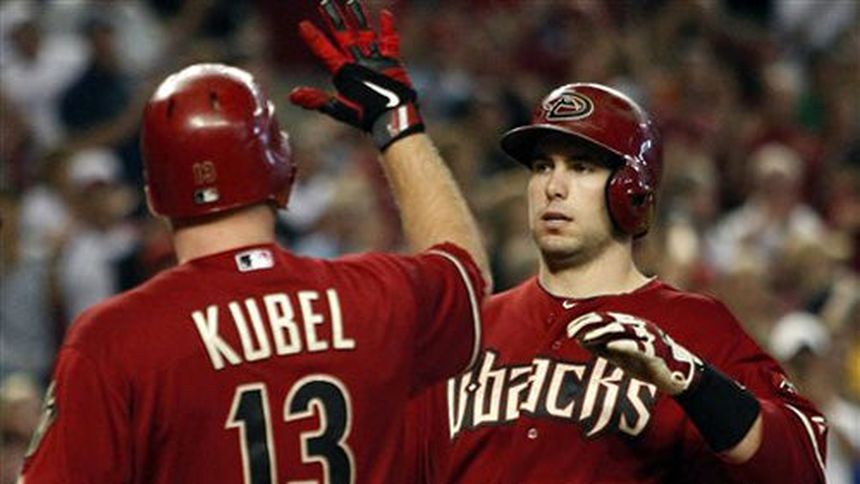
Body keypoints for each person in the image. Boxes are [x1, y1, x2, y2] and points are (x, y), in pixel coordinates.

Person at [18, 3, 491, 481]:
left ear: (155, 198)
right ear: (285, 176)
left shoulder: (114, 341)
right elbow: (467, 274)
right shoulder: (375, 294)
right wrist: (396, 124)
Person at [406, 83, 828, 483]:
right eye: (542, 166)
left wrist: (695, 382)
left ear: (632, 191)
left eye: (581, 167)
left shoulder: (695, 325)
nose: (553, 187)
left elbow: (802, 466)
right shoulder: (472, 328)